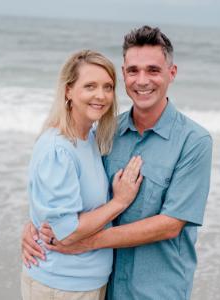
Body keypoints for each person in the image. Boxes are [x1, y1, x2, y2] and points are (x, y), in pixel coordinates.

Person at [22, 26, 213, 300]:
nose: (142, 80)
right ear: (123, 74)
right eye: (133, 70)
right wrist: (34, 227)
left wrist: (84, 242)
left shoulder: (194, 142)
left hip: (156, 290)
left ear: (172, 74)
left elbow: (171, 223)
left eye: (153, 70)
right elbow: (65, 188)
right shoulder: (105, 132)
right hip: (103, 287)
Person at [21, 49, 143, 300]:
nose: (101, 95)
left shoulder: (90, 138)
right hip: (61, 285)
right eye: (90, 86)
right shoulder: (58, 149)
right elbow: (66, 231)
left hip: (87, 282)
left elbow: (50, 210)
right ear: (68, 91)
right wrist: (119, 202)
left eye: (108, 87)